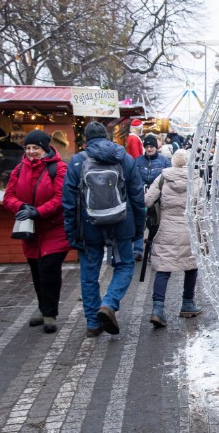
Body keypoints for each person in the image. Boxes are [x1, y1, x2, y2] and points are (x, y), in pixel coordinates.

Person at [63, 121, 146, 337]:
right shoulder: (124, 159)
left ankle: (93, 323)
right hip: (121, 222)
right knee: (125, 265)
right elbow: (138, 197)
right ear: (107, 137)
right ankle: (109, 304)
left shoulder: (76, 162)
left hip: (88, 226)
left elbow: (69, 203)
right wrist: (138, 229)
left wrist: (72, 234)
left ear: (86, 139)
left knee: (89, 273)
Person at [3, 130, 70, 334]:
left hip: (54, 228)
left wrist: (38, 211)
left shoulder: (59, 168)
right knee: (36, 269)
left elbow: (60, 199)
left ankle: (50, 313)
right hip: (30, 229)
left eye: (36, 148)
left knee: (48, 268)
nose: (31, 151)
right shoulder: (19, 168)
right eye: (28, 148)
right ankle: (43, 308)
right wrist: (22, 208)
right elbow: (9, 197)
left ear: (46, 148)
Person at [144, 149, 203, 327]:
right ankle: (187, 304)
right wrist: (203, 239)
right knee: (191, 267)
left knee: (163, 268)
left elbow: (147, 201)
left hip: (166, 228)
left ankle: (157, 309)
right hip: (188, 230)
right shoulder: (196, 180)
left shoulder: (162, 178)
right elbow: (200, 212)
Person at [133, 134, 171, 261]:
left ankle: (151, 251)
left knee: (155, 224)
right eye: (147, 146)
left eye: (151, 146)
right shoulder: (138, 161)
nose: (149, 149)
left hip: (157, 197)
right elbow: (134, 178)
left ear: (156, 147)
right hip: (141, 195)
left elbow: (168, 178)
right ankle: (138, 250)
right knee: (140, 222)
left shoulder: (164, 161)